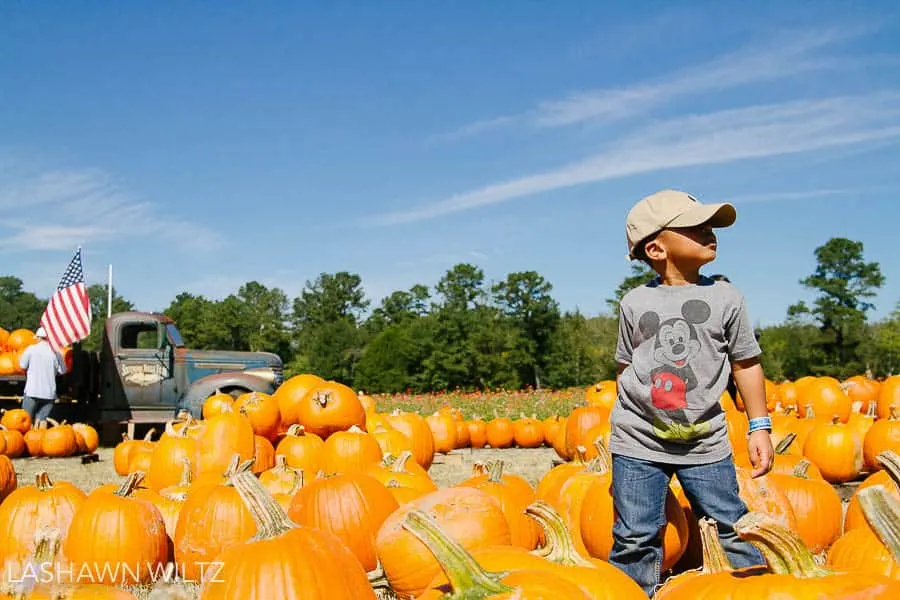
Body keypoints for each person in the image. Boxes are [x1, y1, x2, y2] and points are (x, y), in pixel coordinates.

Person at [608, 190, 773, 596]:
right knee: (635, 537)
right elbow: (626, 366)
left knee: (732, 527)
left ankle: (756, 590)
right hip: (637, 441)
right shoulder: (635, 302)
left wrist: (760, 426)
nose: (709, 232)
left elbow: (746, 364)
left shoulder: (725, 298)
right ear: (656, 248)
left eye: (710, 225)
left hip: (705, 442)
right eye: (695, 227)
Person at [18, 327, 65, 423]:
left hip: (32, 391)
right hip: (49, 394)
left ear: (39, 338)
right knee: (41, 424)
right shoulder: (56, 352)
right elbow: (63, 371)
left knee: (26, 423)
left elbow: (22, 365)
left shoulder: (31, 349)